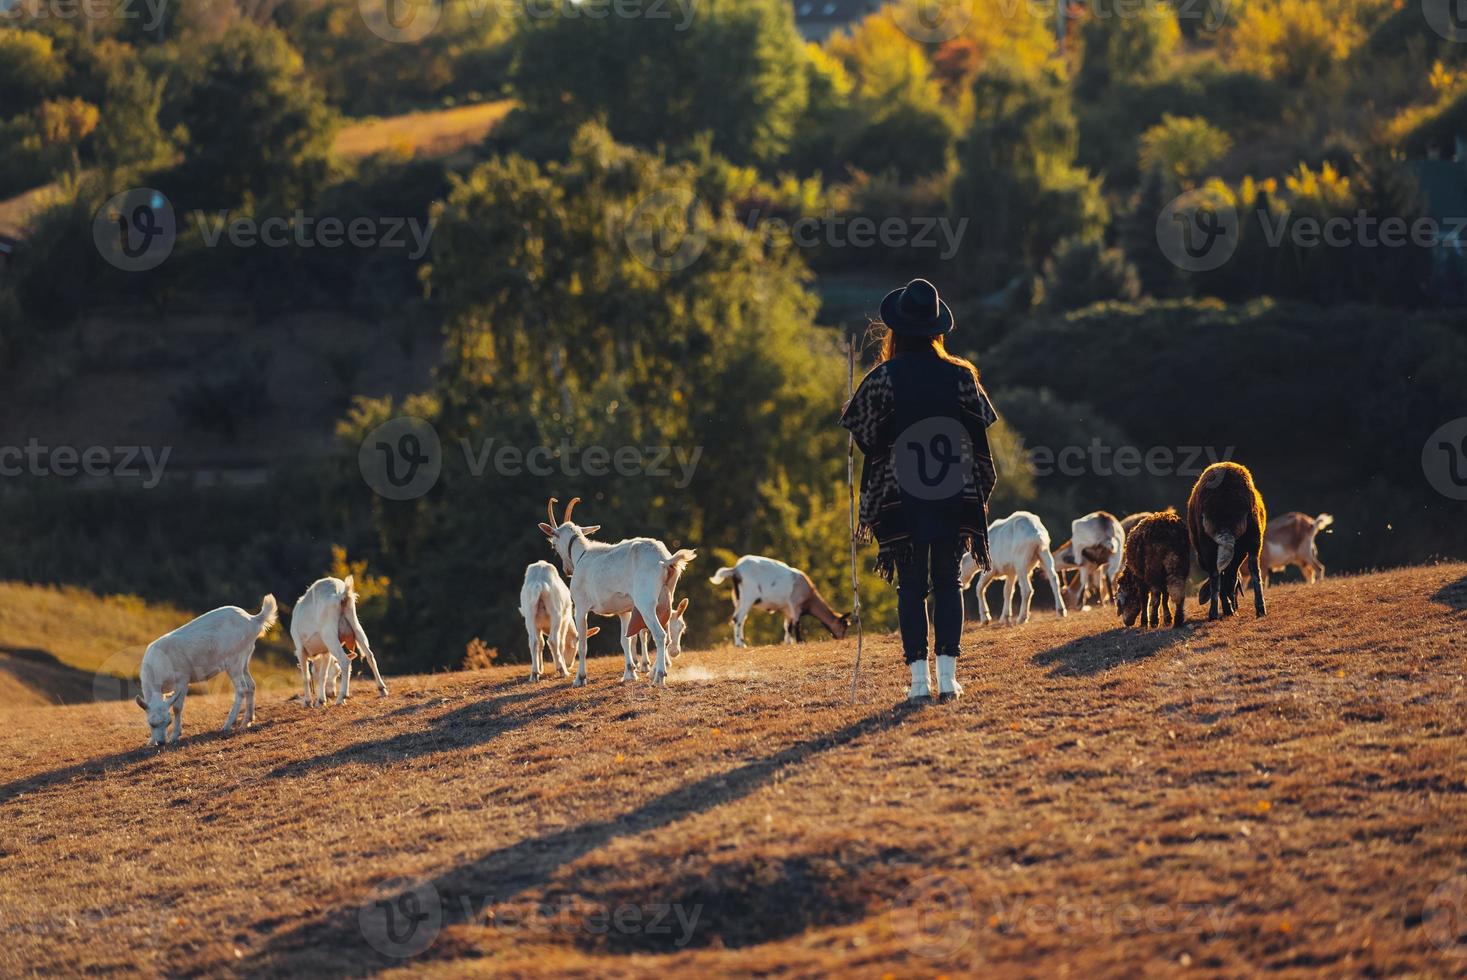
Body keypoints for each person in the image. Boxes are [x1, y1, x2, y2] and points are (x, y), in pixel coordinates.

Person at [840, 279, 998, 703]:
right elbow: (978, 434)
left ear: (896, 330)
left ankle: (917, 683)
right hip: (954, 491)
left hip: (899, 495)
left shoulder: (881, 380)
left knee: (910, 585)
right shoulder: (963, 376)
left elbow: (865, 437)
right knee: (948, 580)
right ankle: (947, 678)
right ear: (935, 329)